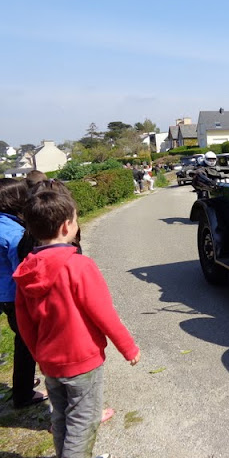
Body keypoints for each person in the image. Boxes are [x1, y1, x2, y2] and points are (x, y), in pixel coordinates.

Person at [14, 190, 141, 457]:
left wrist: (39, 355)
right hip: (82, 360)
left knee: (61, 418)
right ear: (66, 226)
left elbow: (24, 323)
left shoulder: (26, 269)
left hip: (49, 361)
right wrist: (128, 348)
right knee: (84, 421)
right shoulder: (79, 265)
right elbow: (103, 313)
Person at [0, 178, 46, 409]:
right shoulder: (14, 232)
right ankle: (23, 393)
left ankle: (23, 386)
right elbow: (23, 271)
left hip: (3, 294)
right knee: (27, 343)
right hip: (13, 295)